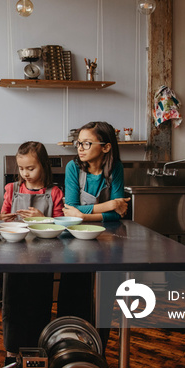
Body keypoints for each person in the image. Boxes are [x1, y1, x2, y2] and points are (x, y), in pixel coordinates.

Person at [60, 120, 129, 352]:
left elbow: (116, 217)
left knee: (104, 301)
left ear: (106, 147)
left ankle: (98, 352)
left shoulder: (115, 168)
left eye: (87, 143)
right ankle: (69, 349)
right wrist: (108, 204)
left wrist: (85, 215)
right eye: (78, 143)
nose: (80, 148)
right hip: (76, 243)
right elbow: (70, 210)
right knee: (73, 295)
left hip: (107, 243)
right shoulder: (73, 168)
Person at [0, 141, 64, 360]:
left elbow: (61, 225)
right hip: (14, 257)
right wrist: (3, 218)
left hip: (43, 257)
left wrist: (42, 219)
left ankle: (37, 351)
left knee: (39, 305)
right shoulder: (11, 189)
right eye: (21, 168)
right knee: (12, 305)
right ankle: (11, 352)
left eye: (30, 168)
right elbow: (2, 217)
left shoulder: (54, 193)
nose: (25, 173)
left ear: (44, 166)